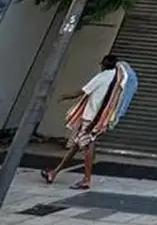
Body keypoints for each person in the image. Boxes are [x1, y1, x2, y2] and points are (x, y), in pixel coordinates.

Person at [42, 54, 138, 190]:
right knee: (77, 145)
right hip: (97, 119)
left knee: (87, 148)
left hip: (90, 119)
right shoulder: (116, 78)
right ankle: (54, 172)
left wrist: (63, 96)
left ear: (104, 65)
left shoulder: (102, 77)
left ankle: (86, 180)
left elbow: (81, 92)